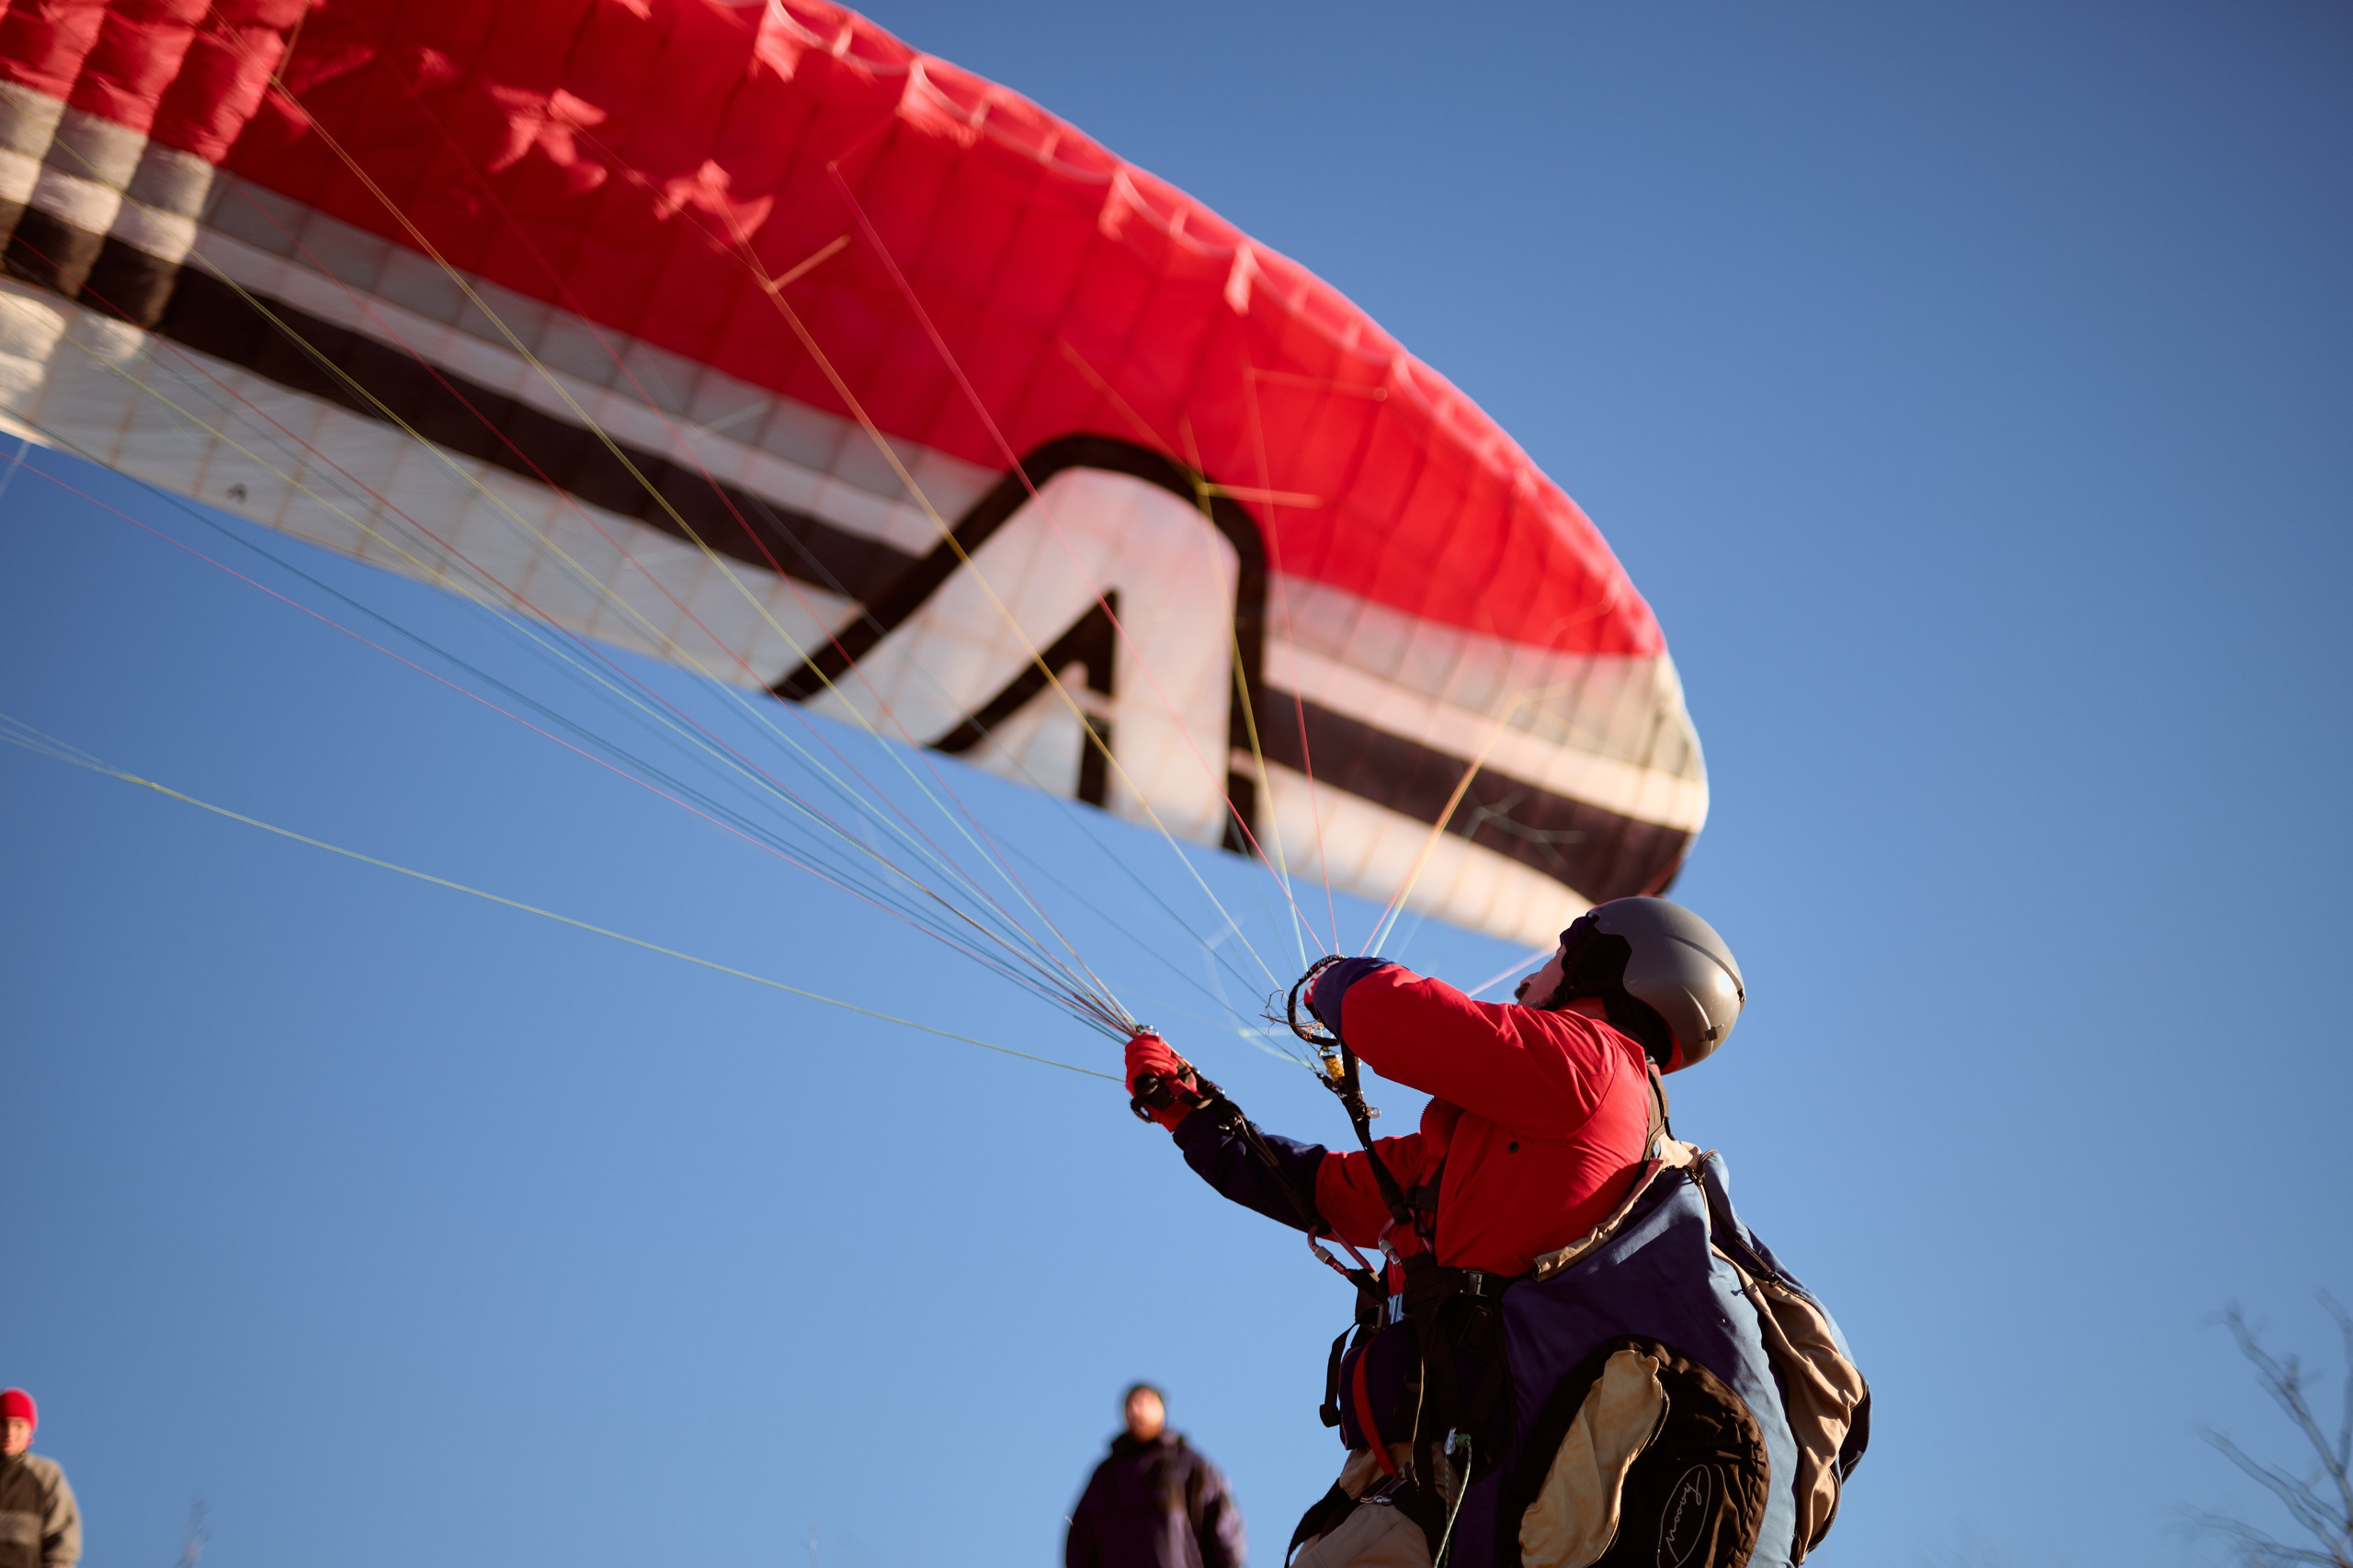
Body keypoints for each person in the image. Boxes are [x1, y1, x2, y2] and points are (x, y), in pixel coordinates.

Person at [1121, 897, 1758, 1568]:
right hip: (1430, 1488)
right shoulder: (1498, 1140)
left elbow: (1398, 1018)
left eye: (1550, 963)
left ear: (1606, 968)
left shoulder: (1594, 1069)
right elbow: (1323, 1191)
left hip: (1469, 1488)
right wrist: (1187, 1112)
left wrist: (1328, 979)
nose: (1523, 982)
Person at [1065, 1381, 1246, 1568]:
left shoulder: (1188, 1465)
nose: (1138, 1410)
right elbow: (1081, 1537)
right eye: (1131, 1405)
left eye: (1146, 1403)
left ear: (1162, 1410)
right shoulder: (1106, 1475)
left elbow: (1222, 1524)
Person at [0, 1389, 80, 1568]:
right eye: (3, 1424)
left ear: (30, 1430)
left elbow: (62, 1545)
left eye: (18, 1426)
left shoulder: (46, 1475)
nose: (10, 1433)